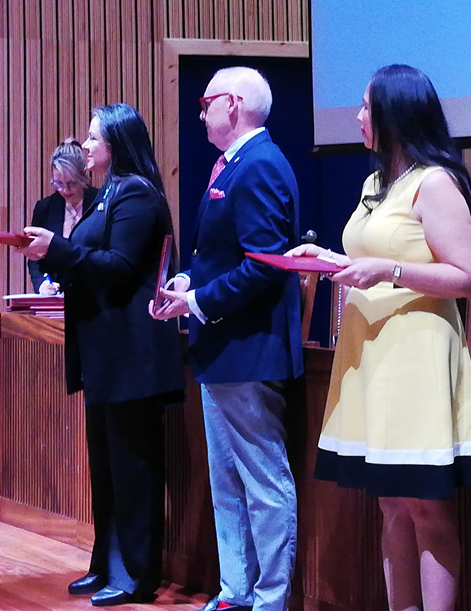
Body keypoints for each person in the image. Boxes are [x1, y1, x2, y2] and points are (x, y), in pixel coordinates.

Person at [287, 64, 471, 611]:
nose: (355, 118)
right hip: (371, 349)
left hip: (417, 350)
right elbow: (369, 257)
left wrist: (389, 272)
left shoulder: (435, 181)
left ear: (395, 114)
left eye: (365, 108)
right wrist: (329, 260)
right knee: (391, 505)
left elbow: (468, 278)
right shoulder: (375, 183)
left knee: (427, 506)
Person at [151, 66, 302, 611]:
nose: (199, 112)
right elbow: (221, 253)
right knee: (227, 482)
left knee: (263, 482)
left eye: (205, 101)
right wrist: (188, 281)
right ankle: (235, 592)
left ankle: (270, 600)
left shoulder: (259, 165)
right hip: (222, 350)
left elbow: (265, 266)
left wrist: (197, 302)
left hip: (248, 348)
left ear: (232, 105)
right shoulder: (234, 163)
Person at [20, 104, 183, 607]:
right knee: (106, 467)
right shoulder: (106, 193)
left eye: (93, 138)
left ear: (116, 143)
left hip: (131, 354)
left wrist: (56, 251)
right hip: (104, 352)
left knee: (133, 467)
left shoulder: (135, 193)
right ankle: (105, 562)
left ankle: (136, 574)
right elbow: (89, 261)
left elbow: (119, 265)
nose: (85, 146)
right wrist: (53, 257)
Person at [28, 137, 100, 295]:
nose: (65, 190)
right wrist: (41, 285)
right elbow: (35, 259)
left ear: (83, 175)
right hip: (56, 299)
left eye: (72, 183)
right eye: (58, 183)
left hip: (95, 296)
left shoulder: (100, 202)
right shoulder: (44, 208)